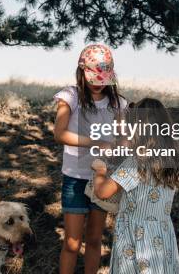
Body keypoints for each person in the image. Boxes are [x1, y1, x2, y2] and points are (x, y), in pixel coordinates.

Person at [53, 44, 127, 274]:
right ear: (82, 72)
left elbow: (123, 140)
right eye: (94, 77)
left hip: (101, 180)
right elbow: (59, 133)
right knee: (72, 243)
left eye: (104, 78)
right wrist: (95, 142)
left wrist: (119, 150)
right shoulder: (71, 96)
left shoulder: (118, 104)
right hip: (75, 178)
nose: (99, 82)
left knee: (94, 240)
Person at [92, 98, 179, 274]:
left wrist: (100, 171)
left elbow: (103, 192)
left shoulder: (135, 163)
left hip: (135, 237)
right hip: (162, 234)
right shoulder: (171, 162)